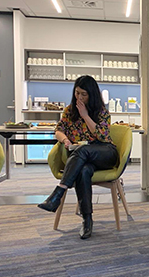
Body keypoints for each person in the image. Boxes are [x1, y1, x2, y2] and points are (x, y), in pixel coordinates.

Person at [38, 75, 118, 240]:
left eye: (84, 94)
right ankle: (87, 220)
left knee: (82, 151)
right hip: (84, 157)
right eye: (77, 93)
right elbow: (58, 130)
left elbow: (102, 135)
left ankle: (58, 192)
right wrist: (65, 140)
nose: (79, 97)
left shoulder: (101, 111)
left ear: (92, 95)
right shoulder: (69, 111)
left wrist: (85, 115)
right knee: (83, 170)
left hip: (105, 152)